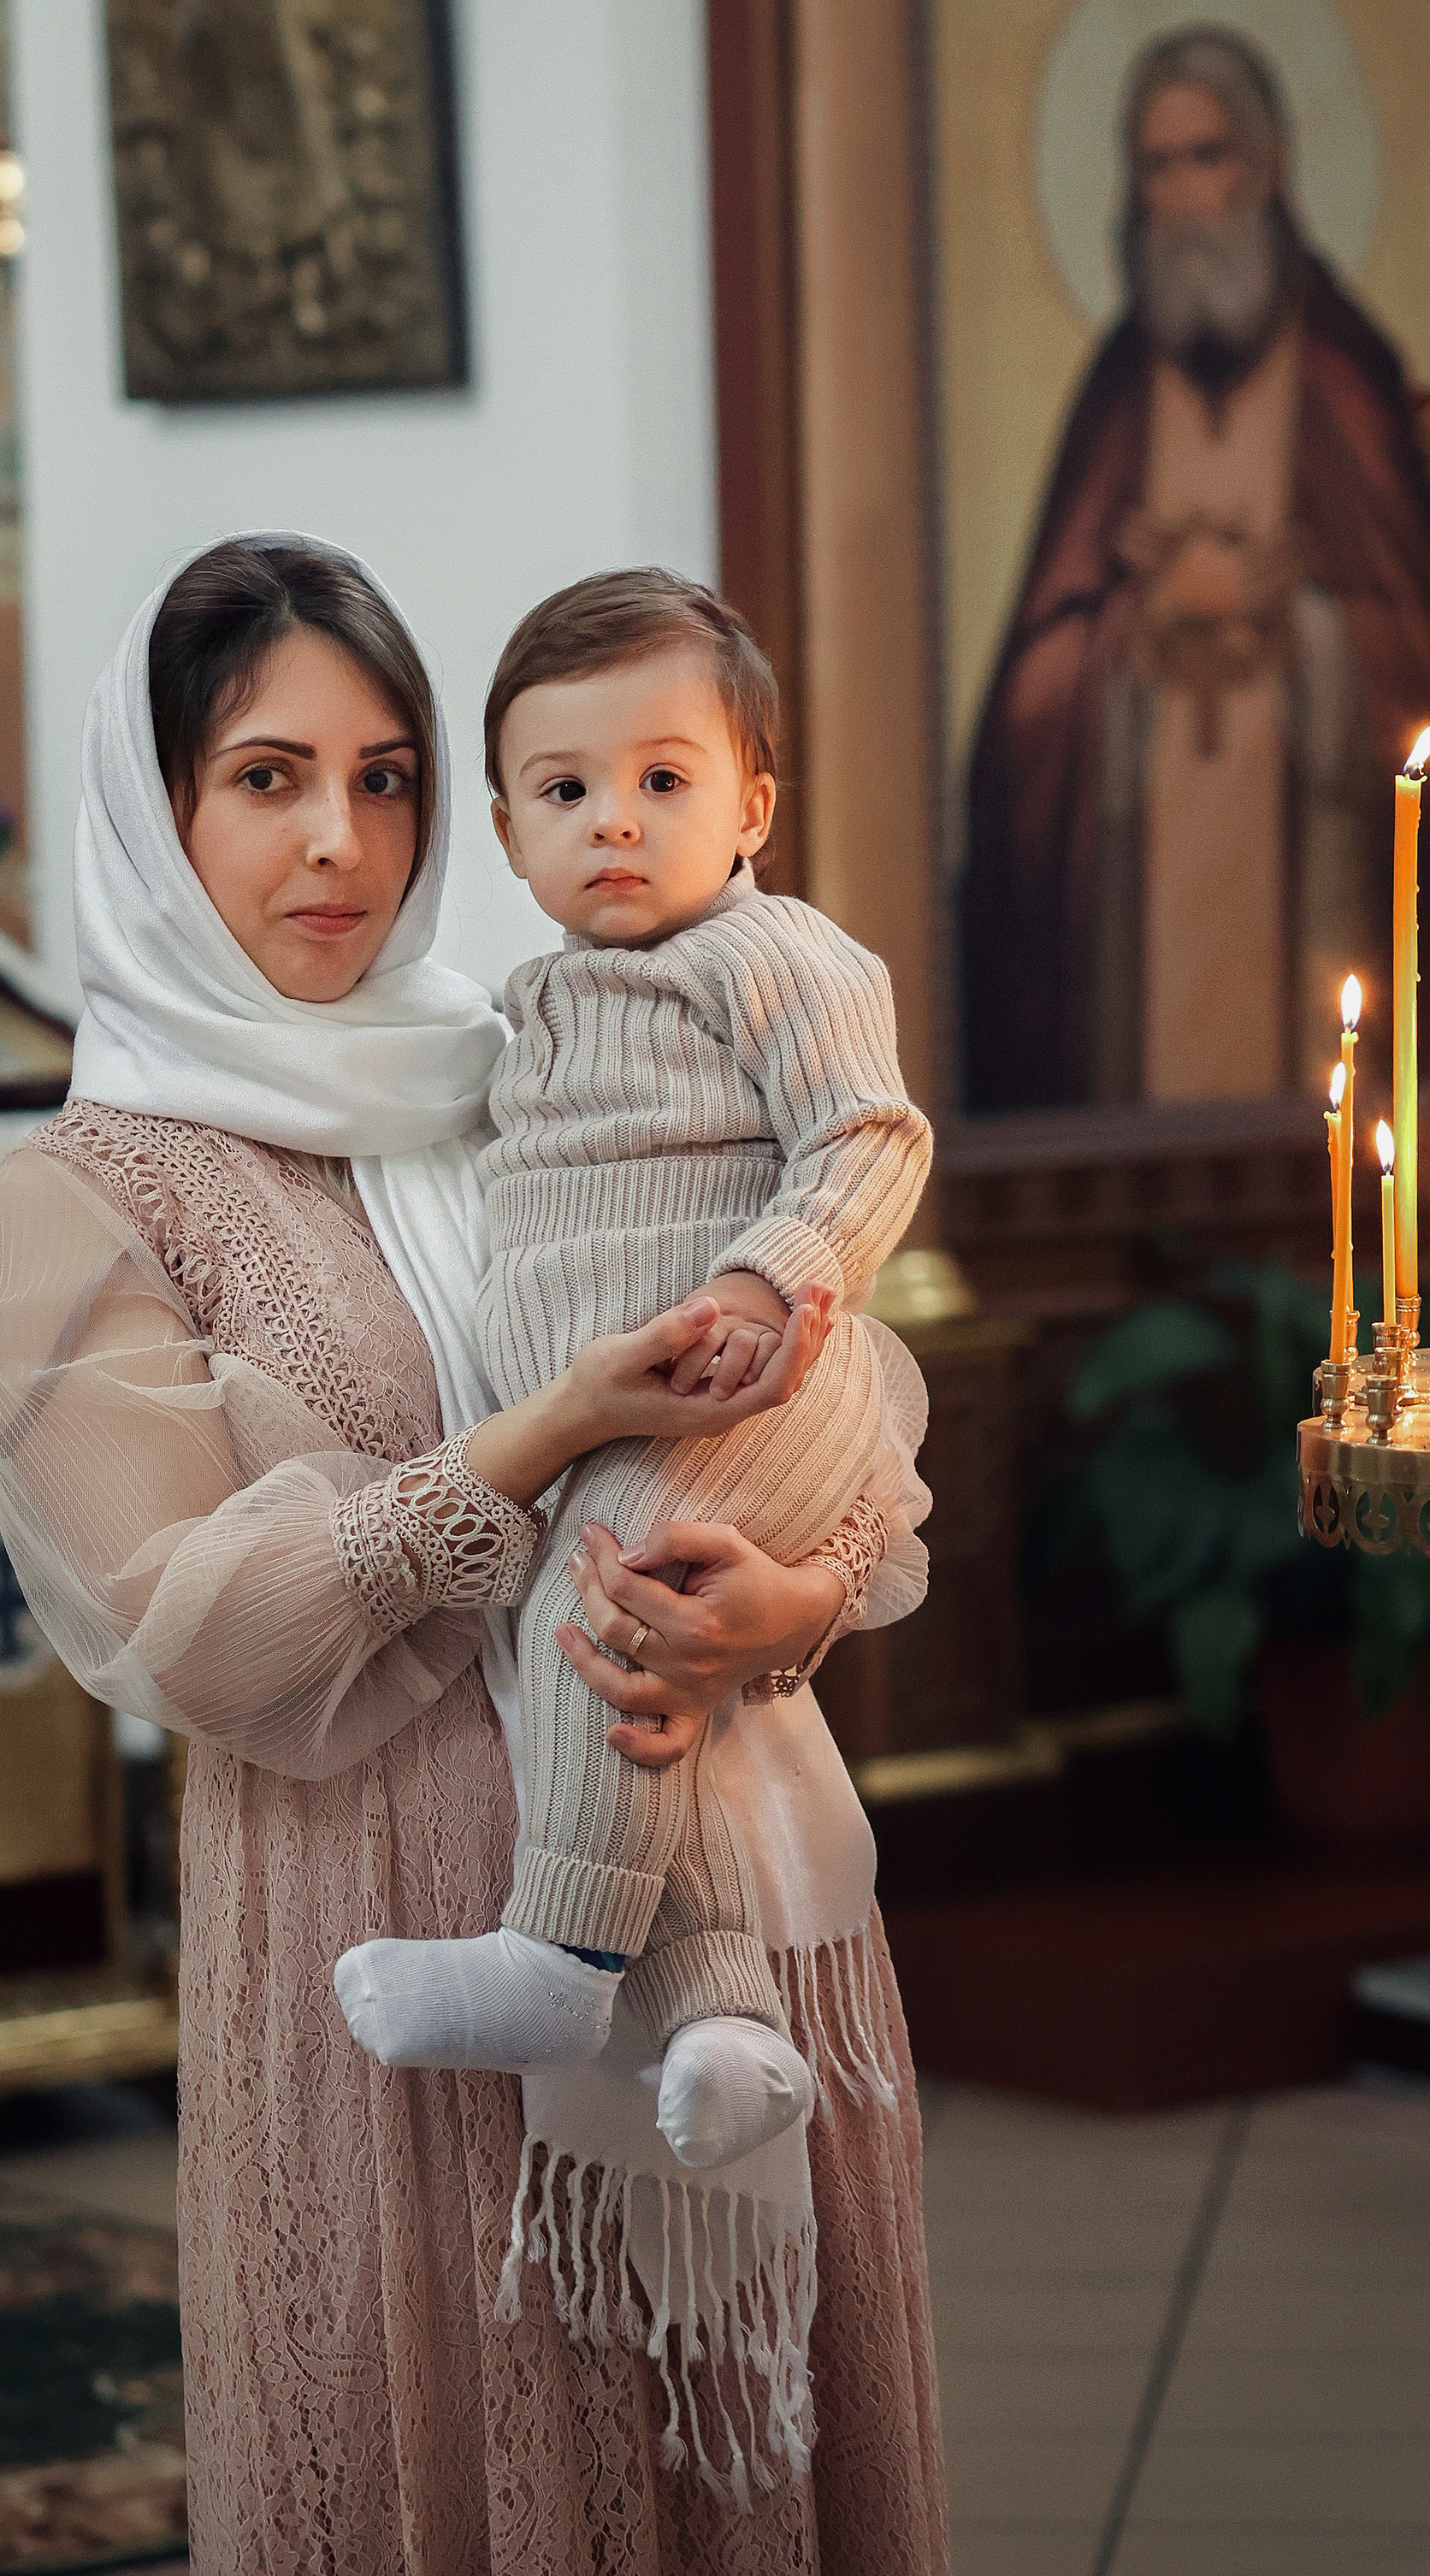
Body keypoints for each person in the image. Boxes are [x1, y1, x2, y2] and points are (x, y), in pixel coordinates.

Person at [0, 536, 948, 2572]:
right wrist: (545, 1431)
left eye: (387, 772)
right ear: (154, 812)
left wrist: (807, 1595)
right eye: (263, 777)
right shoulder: (89, 1193)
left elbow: (851, 1397)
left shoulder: (534, 1053)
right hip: (386, 1943)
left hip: (732, 1915)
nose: (338, 838)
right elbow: (191, 1633)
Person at [335, 572, 931, 2195]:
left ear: (752, 805)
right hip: (624, 1432)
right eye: (566, 790)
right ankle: (721, 2019)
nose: (616, 821)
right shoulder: (526, 1010)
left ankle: (556, 1957)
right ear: (509, 837)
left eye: (664, 780)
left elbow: (871, 1137)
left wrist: (767, 1280)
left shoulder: (771, 952)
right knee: (607, 1670)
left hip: (756, 1391)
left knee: (609, 1612)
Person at [961, 25, 1430, 1112]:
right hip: (1138, 927)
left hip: (1317, 879)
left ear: (1266, 167)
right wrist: (1132, 627)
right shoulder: (1115, 394)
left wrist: (1302, 625)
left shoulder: (1344, 375)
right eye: (1157, 166)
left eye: (1209, 157)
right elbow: (1026, 703)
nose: (1187, 195)